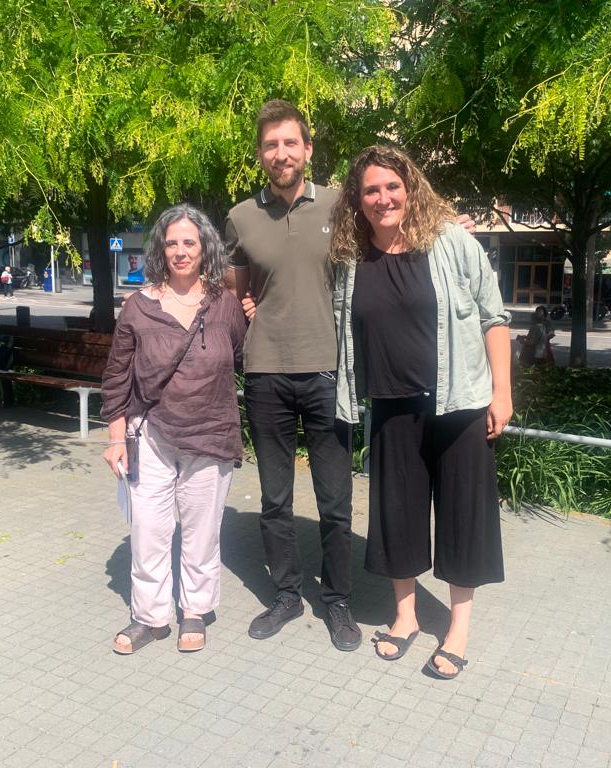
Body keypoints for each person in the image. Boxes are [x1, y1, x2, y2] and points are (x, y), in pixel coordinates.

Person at [330, 145, 513, 679]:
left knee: (463, 517)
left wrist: (502, 393)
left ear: (410, 187)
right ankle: (406, 617)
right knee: (396, 517)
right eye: (371, 190)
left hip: (459, 404)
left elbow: (493, 317)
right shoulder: (348, 260)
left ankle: (457, 629)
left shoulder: (453, 243)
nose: (383, 197)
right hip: (391, 407)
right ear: (357, 200)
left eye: (392, 185)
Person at [224, 99, 361, 651]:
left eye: (289, 143)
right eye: (270, 145)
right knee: (275, 497)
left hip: (327, 371)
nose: (280, 153)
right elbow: (238, 289)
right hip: (265, 375)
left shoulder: (340, 205)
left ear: (307, 148)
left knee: (335, 499)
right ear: (260, 155)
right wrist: (248, 305)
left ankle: (339, 602)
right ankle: (286, 595)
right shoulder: (240, 216)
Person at [101, 204, 246, 655]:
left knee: (203, 533)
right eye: (172, 243)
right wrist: (114, 438)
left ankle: (196, 611)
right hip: (151, 437)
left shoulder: (225, 305)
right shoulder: (138, 306)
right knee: (148, 531)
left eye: (190, 242)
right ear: (160, 250)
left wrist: (254, 311)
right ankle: (150, 617)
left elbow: (242, 357)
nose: (181, 251)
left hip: (211, 434)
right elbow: (117, 375)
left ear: (205, 248)